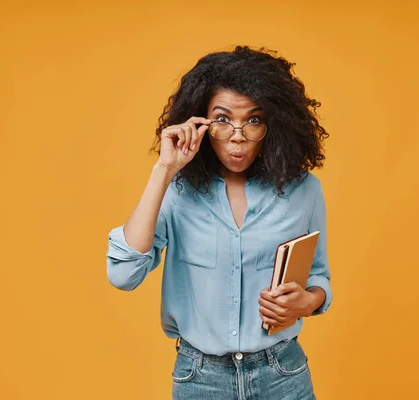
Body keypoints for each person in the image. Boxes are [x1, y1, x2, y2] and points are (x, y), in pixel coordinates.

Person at [106, 46, 332, 400]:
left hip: (282, 373)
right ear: (200, 122)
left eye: (253, 120)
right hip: (201, 379)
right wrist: (164, 170)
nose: (238, 136)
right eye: (223, 120)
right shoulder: (176, 191)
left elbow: (318, 276)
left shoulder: (304, 191)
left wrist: (308, 301)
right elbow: (123, 275)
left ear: (275, 124)